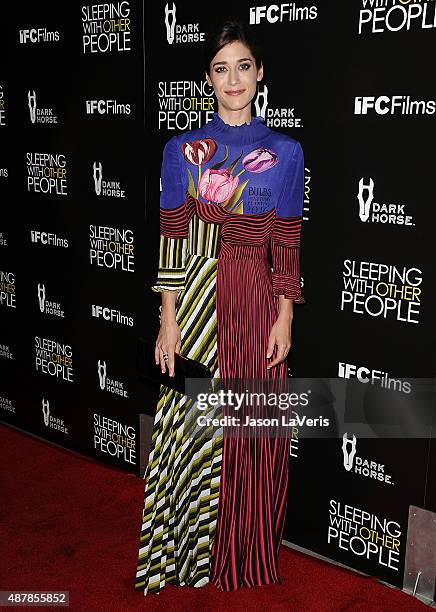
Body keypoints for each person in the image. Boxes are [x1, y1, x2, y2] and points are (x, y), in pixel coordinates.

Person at [135, 19, 305, 595]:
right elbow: (172, 234)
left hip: (257, 307)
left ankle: (247, 554)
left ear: (261, 74)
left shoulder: (285, 152)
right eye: (220, 68)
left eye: (244, 66)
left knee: (254, 432)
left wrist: (285, 314)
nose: (233, 79)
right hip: (201, 301)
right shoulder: (182, 151)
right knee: (195, 430)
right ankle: (192, 556)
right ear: (208, 80)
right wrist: (167, 317)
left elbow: (286, 239)